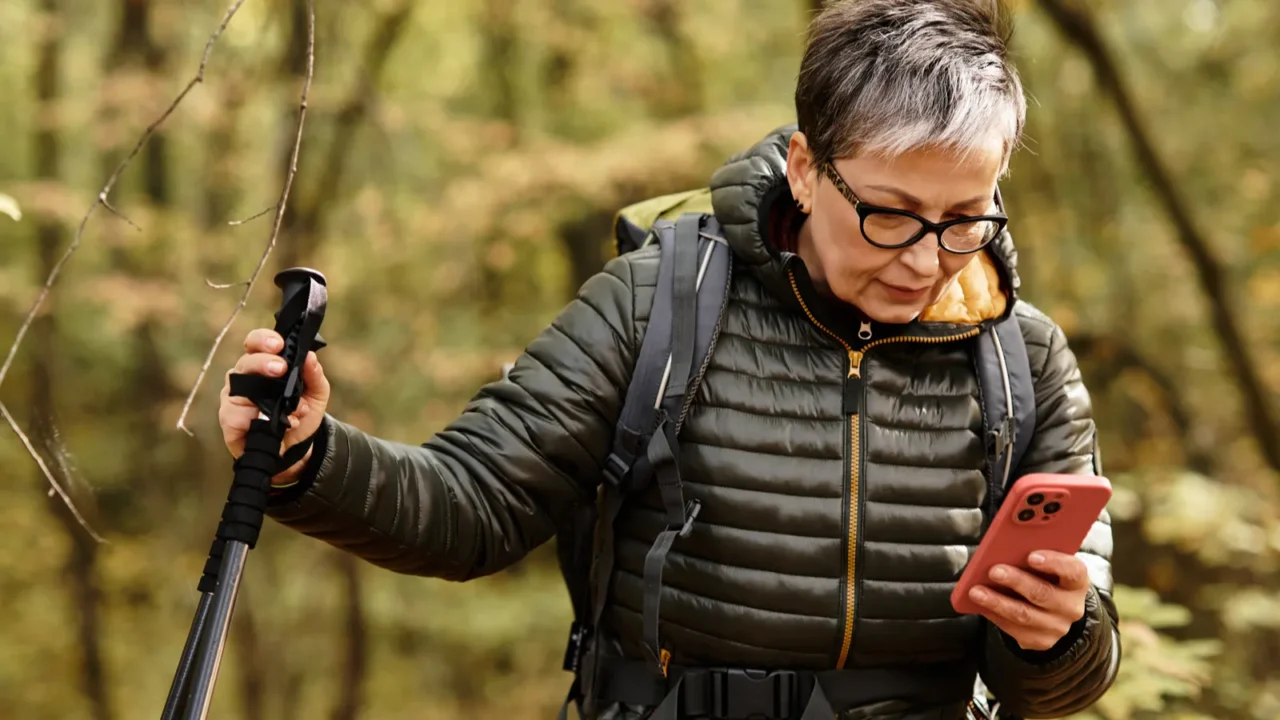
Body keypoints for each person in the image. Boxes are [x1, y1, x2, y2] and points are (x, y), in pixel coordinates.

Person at [218, 1, 1120, 718]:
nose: (927, 259)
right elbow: (471, 509)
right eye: (890, 214)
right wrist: (306, 455)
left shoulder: (1021, 361)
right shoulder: (663, 302)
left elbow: (1070, 676)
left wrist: (1058, 635)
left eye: (966, 218)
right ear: (806, 169)